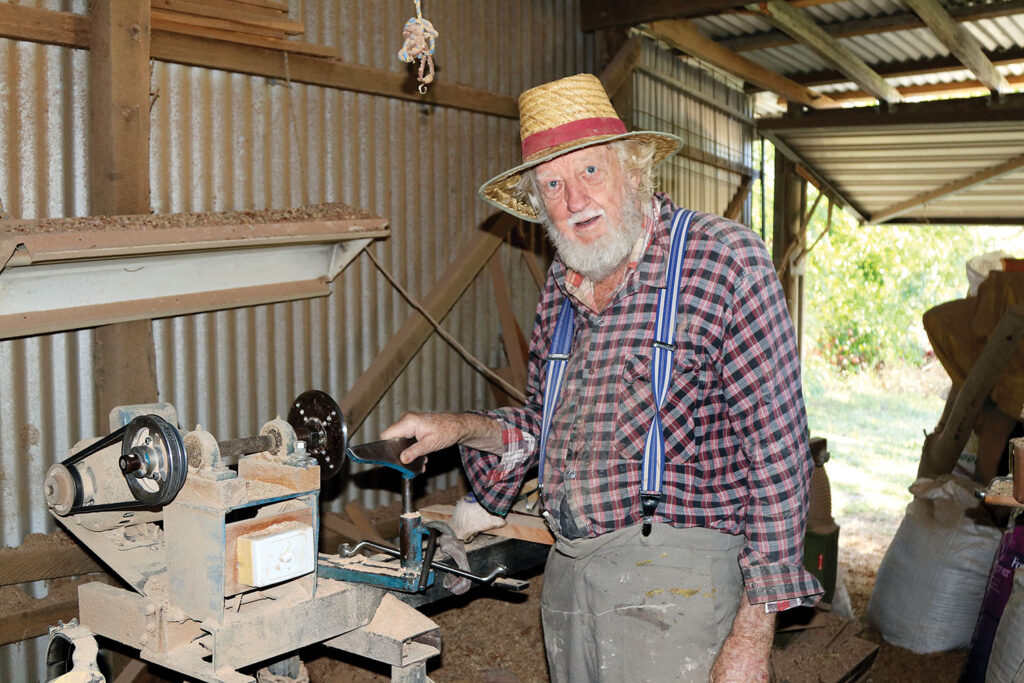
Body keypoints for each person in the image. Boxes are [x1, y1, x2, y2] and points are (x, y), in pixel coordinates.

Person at [383, 73, 822, 682]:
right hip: (570, 580)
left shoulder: (723, 261)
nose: (573, 199)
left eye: (589, 171)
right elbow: (548, 430)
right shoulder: (561, 295)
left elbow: (779, 454)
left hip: (681, 590)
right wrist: (459, 428)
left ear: (634, 171)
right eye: (552, 184)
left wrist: (753, 634)